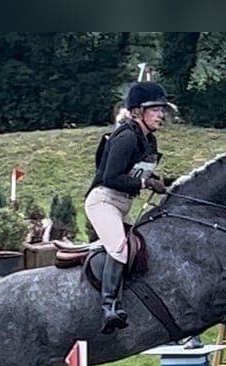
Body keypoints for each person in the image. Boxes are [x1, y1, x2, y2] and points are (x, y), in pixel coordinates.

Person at [85, 81, 174, 334]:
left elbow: (138, 174)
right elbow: (111, 176)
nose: (160, 115)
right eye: (154, 109)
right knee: (120, 248)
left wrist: (166, 182)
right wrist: (146, 182)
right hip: (103, 200)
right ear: (137, 112)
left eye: (161, 110)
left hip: (121, 203)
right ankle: (109, 307)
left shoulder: (149, 142)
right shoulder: (125, 137)